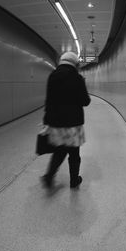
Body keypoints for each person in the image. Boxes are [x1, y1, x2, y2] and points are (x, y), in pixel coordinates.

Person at [42, 51, 91, 188]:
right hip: (73, 123)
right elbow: (85, 101)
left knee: (60, 150)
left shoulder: (52, 76)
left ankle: (49, 176)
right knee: (74, 153)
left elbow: (49, 101)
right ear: (75, 63)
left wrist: (47, 120)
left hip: (55, 122)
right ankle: (74, 180)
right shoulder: (77, 77)